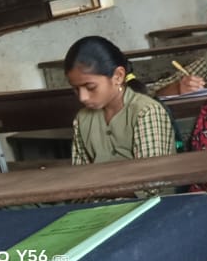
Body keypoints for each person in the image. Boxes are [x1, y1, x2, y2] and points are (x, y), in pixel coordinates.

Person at [65, 36, 177, 165]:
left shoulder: (146, 111)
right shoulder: (82, 119)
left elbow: (151, 175)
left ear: (118, 76)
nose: (82, 97)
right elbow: (80, 173)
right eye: (76, 89)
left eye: (90, 87)